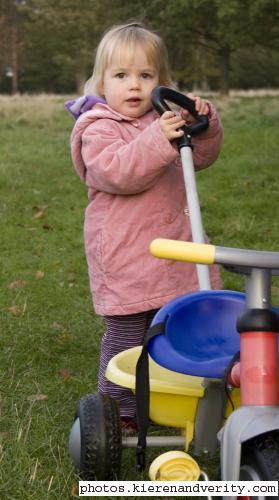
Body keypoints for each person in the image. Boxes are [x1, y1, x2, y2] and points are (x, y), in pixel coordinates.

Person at [69, 21, 223, 433]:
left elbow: (202, 157)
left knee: (180, 326)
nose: (134, 85)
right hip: (127, 258)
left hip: (177, 251)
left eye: (146, 75)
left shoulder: (165, 121)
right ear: (102, 82)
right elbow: (119, 171)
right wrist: (158, 137)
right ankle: (117, 410)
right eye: (121, 75)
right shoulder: (97, 128)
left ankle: (184, 397)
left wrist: (201, 123)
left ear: (162, 81)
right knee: (128, 337)